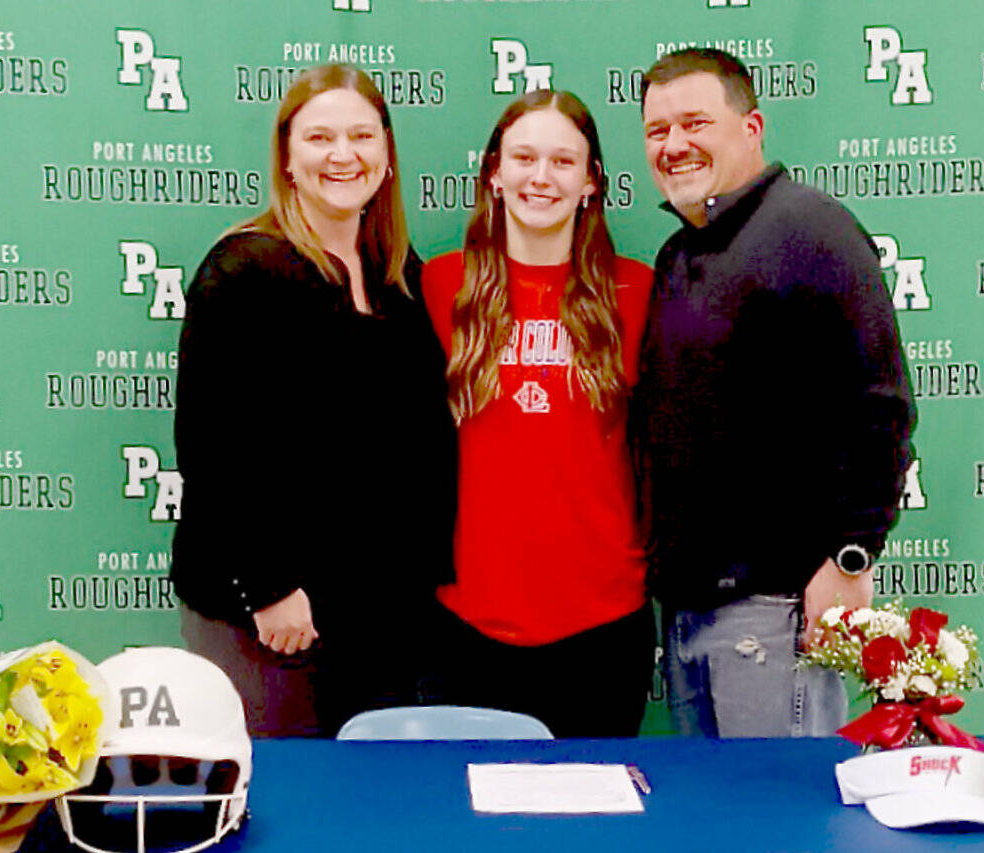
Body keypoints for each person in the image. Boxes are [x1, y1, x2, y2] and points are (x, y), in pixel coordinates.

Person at [631, 48, 916, 738]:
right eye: (657, 130)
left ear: (751, 127)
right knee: (721, 828)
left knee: (780, 826)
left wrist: (851, 557)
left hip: (776, 608)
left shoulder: (811, 231)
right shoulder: (679, 255)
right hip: (690, 611)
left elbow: (881, 409)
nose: (674, 145)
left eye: (695, 122)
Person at [171, 64, 455, 737]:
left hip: (377, 616)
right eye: (319, 137)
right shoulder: (243, 270)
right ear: (288, 159)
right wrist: (267, 590)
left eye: (361, 136)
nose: (342, 154)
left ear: (385, 157)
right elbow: (212, 449)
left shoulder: (397, 277)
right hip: (271, 620)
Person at [422, 90, 654, 738]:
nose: (541, 176)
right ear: (494, 173)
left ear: (590, 183)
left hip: (603, 625)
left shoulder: (638, 293)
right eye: (524, 157)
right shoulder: (442, 286)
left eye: (562, 160)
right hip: (469, 624)